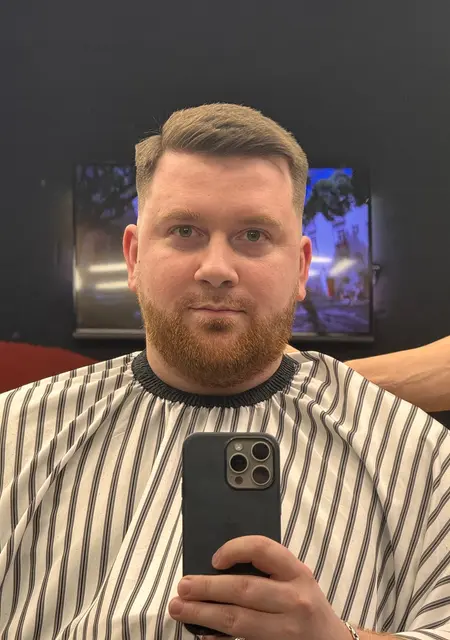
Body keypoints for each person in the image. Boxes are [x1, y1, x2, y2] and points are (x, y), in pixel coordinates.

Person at [0, 104, 449, 640]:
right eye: (185, 230)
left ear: (301, 267)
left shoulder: (421, 457)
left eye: (253, 235)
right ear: (134, 257)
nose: (216, 269)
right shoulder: (14, 433)